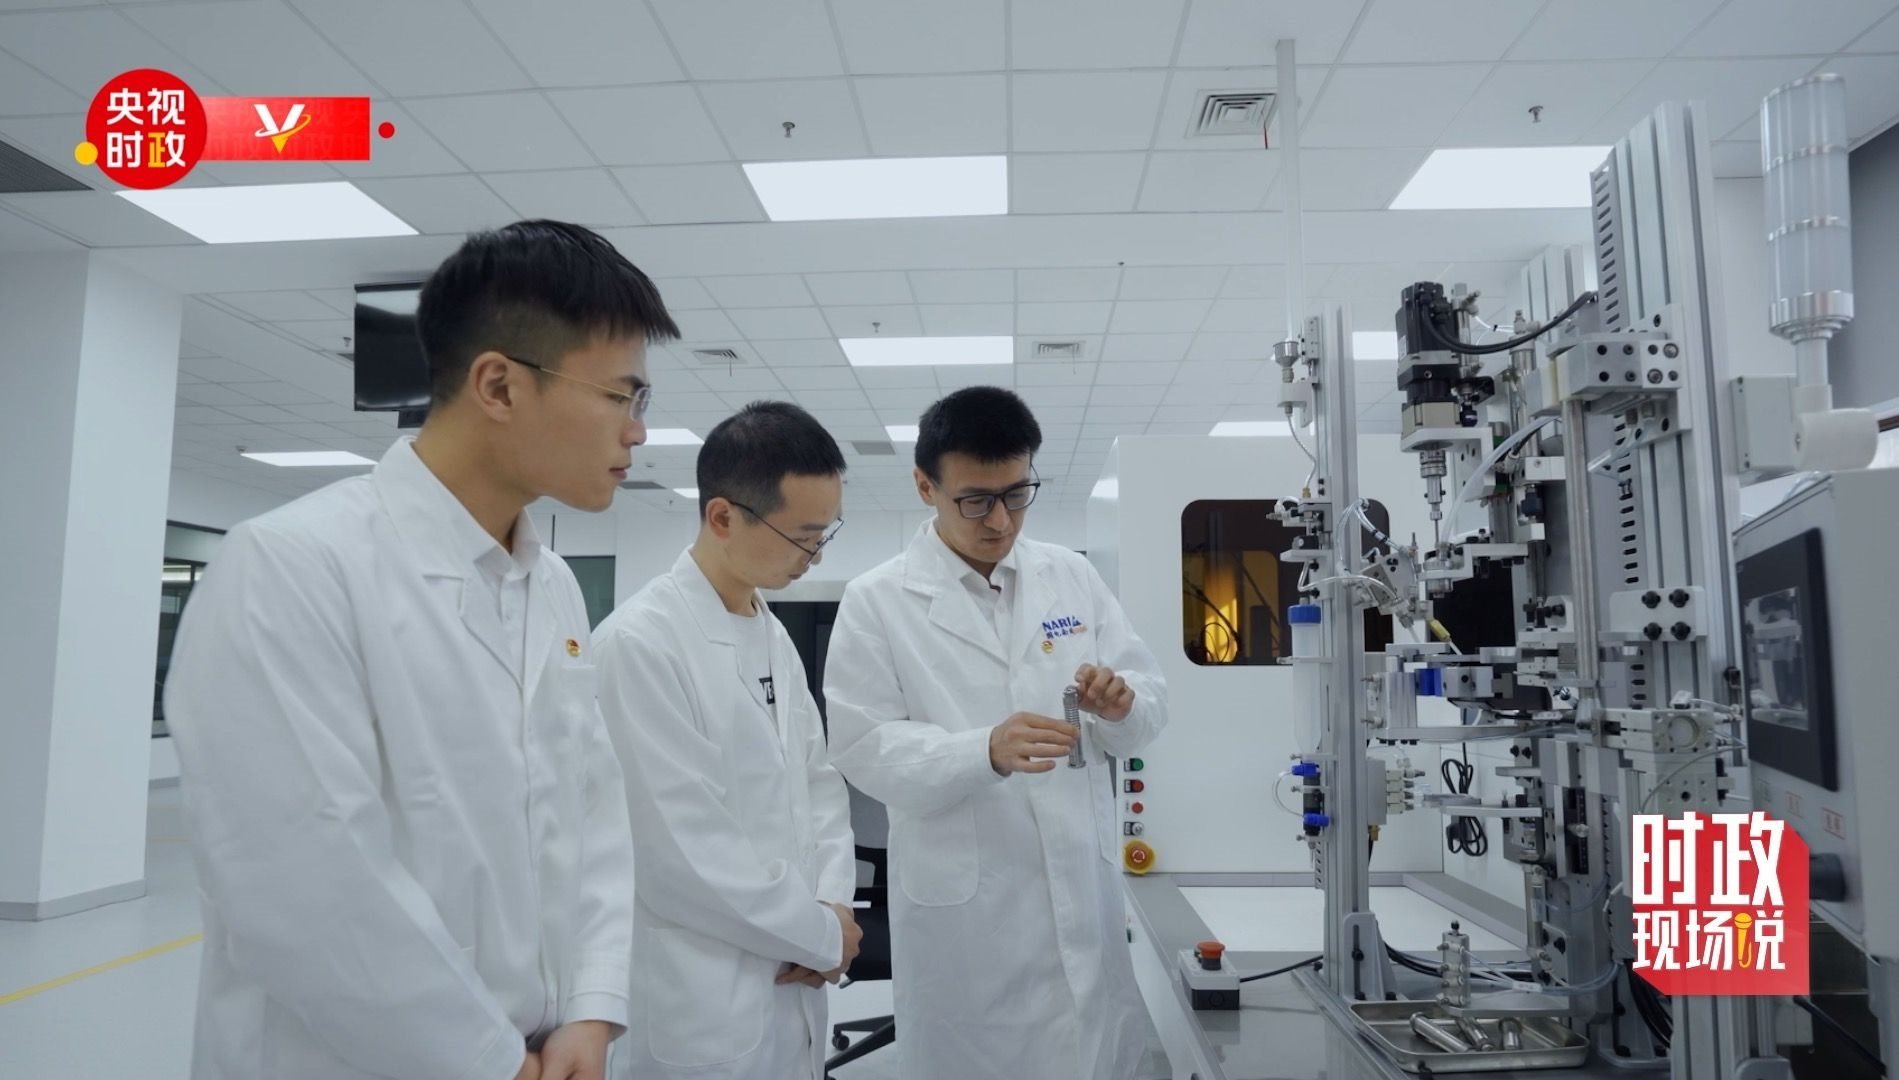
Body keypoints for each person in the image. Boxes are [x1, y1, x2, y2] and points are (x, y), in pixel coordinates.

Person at [165, 219, 677, 1080]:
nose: (637, 432)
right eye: (622, 397)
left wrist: (592, 1009)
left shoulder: (550, 585)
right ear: (499, 386)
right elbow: (305, 889)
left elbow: (592, 814)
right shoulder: (292, 566)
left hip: (550, 1047)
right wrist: (492, 1063)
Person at [823, 386, 1169, 1080]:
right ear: (926, 487)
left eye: (1016, 493)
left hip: (1081, 885)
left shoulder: (1070, 575)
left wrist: (1120, 705)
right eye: (976, 500)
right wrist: (982, 750)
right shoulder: (878, 599)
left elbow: (1147, 701)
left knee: (1096, 1048)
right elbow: (863, 747)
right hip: (968, 919)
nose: (1002, 519)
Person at [593, 401, 860, 1080]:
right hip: (702, 994)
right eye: (802, 536)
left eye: (825, 533)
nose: (816, 555)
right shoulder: (638, 645)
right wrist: (819, 932)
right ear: (722, 517)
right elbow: (682, 852)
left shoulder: (772, 634)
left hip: (795, 967)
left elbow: (819, 786)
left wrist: (833, 905)